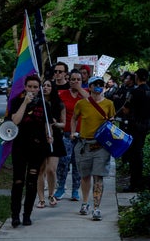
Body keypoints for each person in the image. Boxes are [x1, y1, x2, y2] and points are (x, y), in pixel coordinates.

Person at [9, 75, 53, 228]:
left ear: (39, 88)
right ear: (25, 87)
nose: (33, 90)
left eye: (36, 87)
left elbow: (48, 123)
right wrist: (25, 103)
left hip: (37, 148)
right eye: (30, 87)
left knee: (32, 181)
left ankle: (27, 214)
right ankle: (15, 215)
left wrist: (49, 134)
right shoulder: (16, 102)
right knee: (18, 181)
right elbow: (15, 121)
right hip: (20, 147)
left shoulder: (45, 105)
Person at [71, 75, 115, 221]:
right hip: (84, 145)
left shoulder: (109, 104)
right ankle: (85, 203)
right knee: (85, 176)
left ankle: (96, 208)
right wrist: (73, 132)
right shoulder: (81, 104)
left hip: (101, 146)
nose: (98, 87)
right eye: (95, 84)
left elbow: (112, 123)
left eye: (100, 84)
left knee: (98, 177)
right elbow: (74, 118)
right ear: (89, 87)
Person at [121, 68, 150, 192]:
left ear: (137, 77)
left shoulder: (135, 92)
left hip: (133, 126)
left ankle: (134, 183)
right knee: (139, 153)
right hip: (145, 125)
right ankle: (138, 181)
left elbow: (126, 109)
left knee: (133, 155)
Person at [54, 69, 87, 201]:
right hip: (65, 133)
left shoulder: (85, 94)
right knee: (63, 162)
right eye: (73, 79)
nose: (75, 82)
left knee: (77, 163)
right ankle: (61, 187)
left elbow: (91, 101)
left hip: (81, 134)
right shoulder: (62, 94)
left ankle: (75, 190)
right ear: (68, 80)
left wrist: (80, 89)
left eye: (78, 79)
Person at [36, 80, 66, 208]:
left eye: (48, 85)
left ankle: (51, 194)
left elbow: (64, 124)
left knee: (51, 169)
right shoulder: (37, 103)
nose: (45, 88)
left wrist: (55, 124)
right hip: (39, 138)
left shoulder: (59, 104)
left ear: (53, 88)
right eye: (43, 85)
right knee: (40, 170)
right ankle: (41, 198)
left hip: (55, 138)